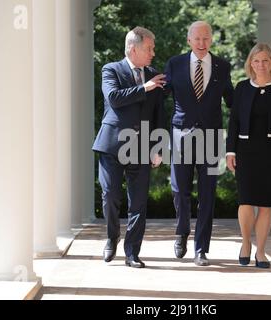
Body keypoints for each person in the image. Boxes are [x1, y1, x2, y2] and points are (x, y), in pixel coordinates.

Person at [92, 27, 166, 268]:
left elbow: (159, 115)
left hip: (142, 146)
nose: (153, 52)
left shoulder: (155, 75)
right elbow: (114, 98)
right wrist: (145, 87)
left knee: (139, 203)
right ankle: (112, 237)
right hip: (112, 144)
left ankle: (132, 252)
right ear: (134, 49)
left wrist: (158, 147)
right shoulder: (111, 69)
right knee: (110, 195)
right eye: (149, 48)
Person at [165, 21, 234, 266]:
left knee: (208, 194)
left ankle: (201, 249)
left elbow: (232, 102)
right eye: (197, 39)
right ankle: (182, 232)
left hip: (212, 139)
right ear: (189, 41)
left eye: (206, 38)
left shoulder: (223, 67)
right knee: (178, 190)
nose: (202, 43)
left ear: (211, 40)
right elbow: (160, 97)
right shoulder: (174, 64)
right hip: (180, 135)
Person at [226, 43, 271, 268]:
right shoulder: (242, 88)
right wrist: (230, 151)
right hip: (246, 150)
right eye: (256, 61)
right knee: (246, 201)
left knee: (266, 204)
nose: (260, 65)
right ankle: (246, 243)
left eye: (265, 60)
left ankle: (261, 252)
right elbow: (234, 122)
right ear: (250, 63)